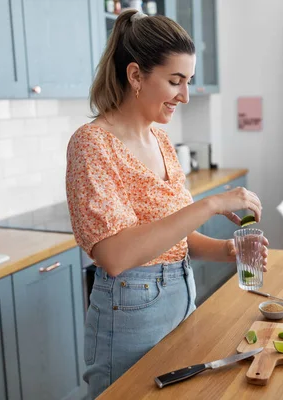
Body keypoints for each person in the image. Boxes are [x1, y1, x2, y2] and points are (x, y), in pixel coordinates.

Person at [65, 9, 269, 399]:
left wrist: (227, 251)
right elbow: (115, 254)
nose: (185, 95)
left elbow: (175, 236)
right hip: (128, 312)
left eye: (188, 82)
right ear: (136, 75)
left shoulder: (160, 141)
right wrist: (209, 205)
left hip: (181, 296)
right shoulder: (92, 143)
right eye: (175, 81)